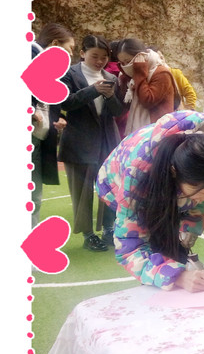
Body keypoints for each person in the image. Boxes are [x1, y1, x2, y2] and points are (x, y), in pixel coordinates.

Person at [96, 111, 204, 292]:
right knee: (156, 243)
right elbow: (130, 249)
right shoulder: (137, 176)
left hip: (167, 180)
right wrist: (177, 276)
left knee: (176, 245)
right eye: (201, 192)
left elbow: (200, 196)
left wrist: (187, 231)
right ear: (174, 172)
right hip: (118, 184)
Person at [59, 34, 124, 251]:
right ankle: (88, 235)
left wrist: (110, 96)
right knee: (82, 191)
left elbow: (117, 111)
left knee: (109, 187)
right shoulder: (70, 73)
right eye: (94, 56)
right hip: (79, 142)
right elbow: (65, 102)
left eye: (104, 57)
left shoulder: (111, 77)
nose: (99, 61)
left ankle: (109, 229)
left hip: (107, 142)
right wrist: (93, 90)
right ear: (82, 53)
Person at [30, 23, 73, 227]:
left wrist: (56, 117)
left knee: (34, 197)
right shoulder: (30, 54)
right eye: (69, 48)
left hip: (37, 139)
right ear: (55, 43)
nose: (71, 55)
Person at [117, 38, 180, 136]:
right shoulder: (133, 76)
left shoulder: (161, 73)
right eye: (122, 63)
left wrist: (139, 73)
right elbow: (125, 105)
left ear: (140, 56)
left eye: (128, 61)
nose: (126, 66)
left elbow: (147, 101)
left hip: (157, 131)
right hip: (141, 131)